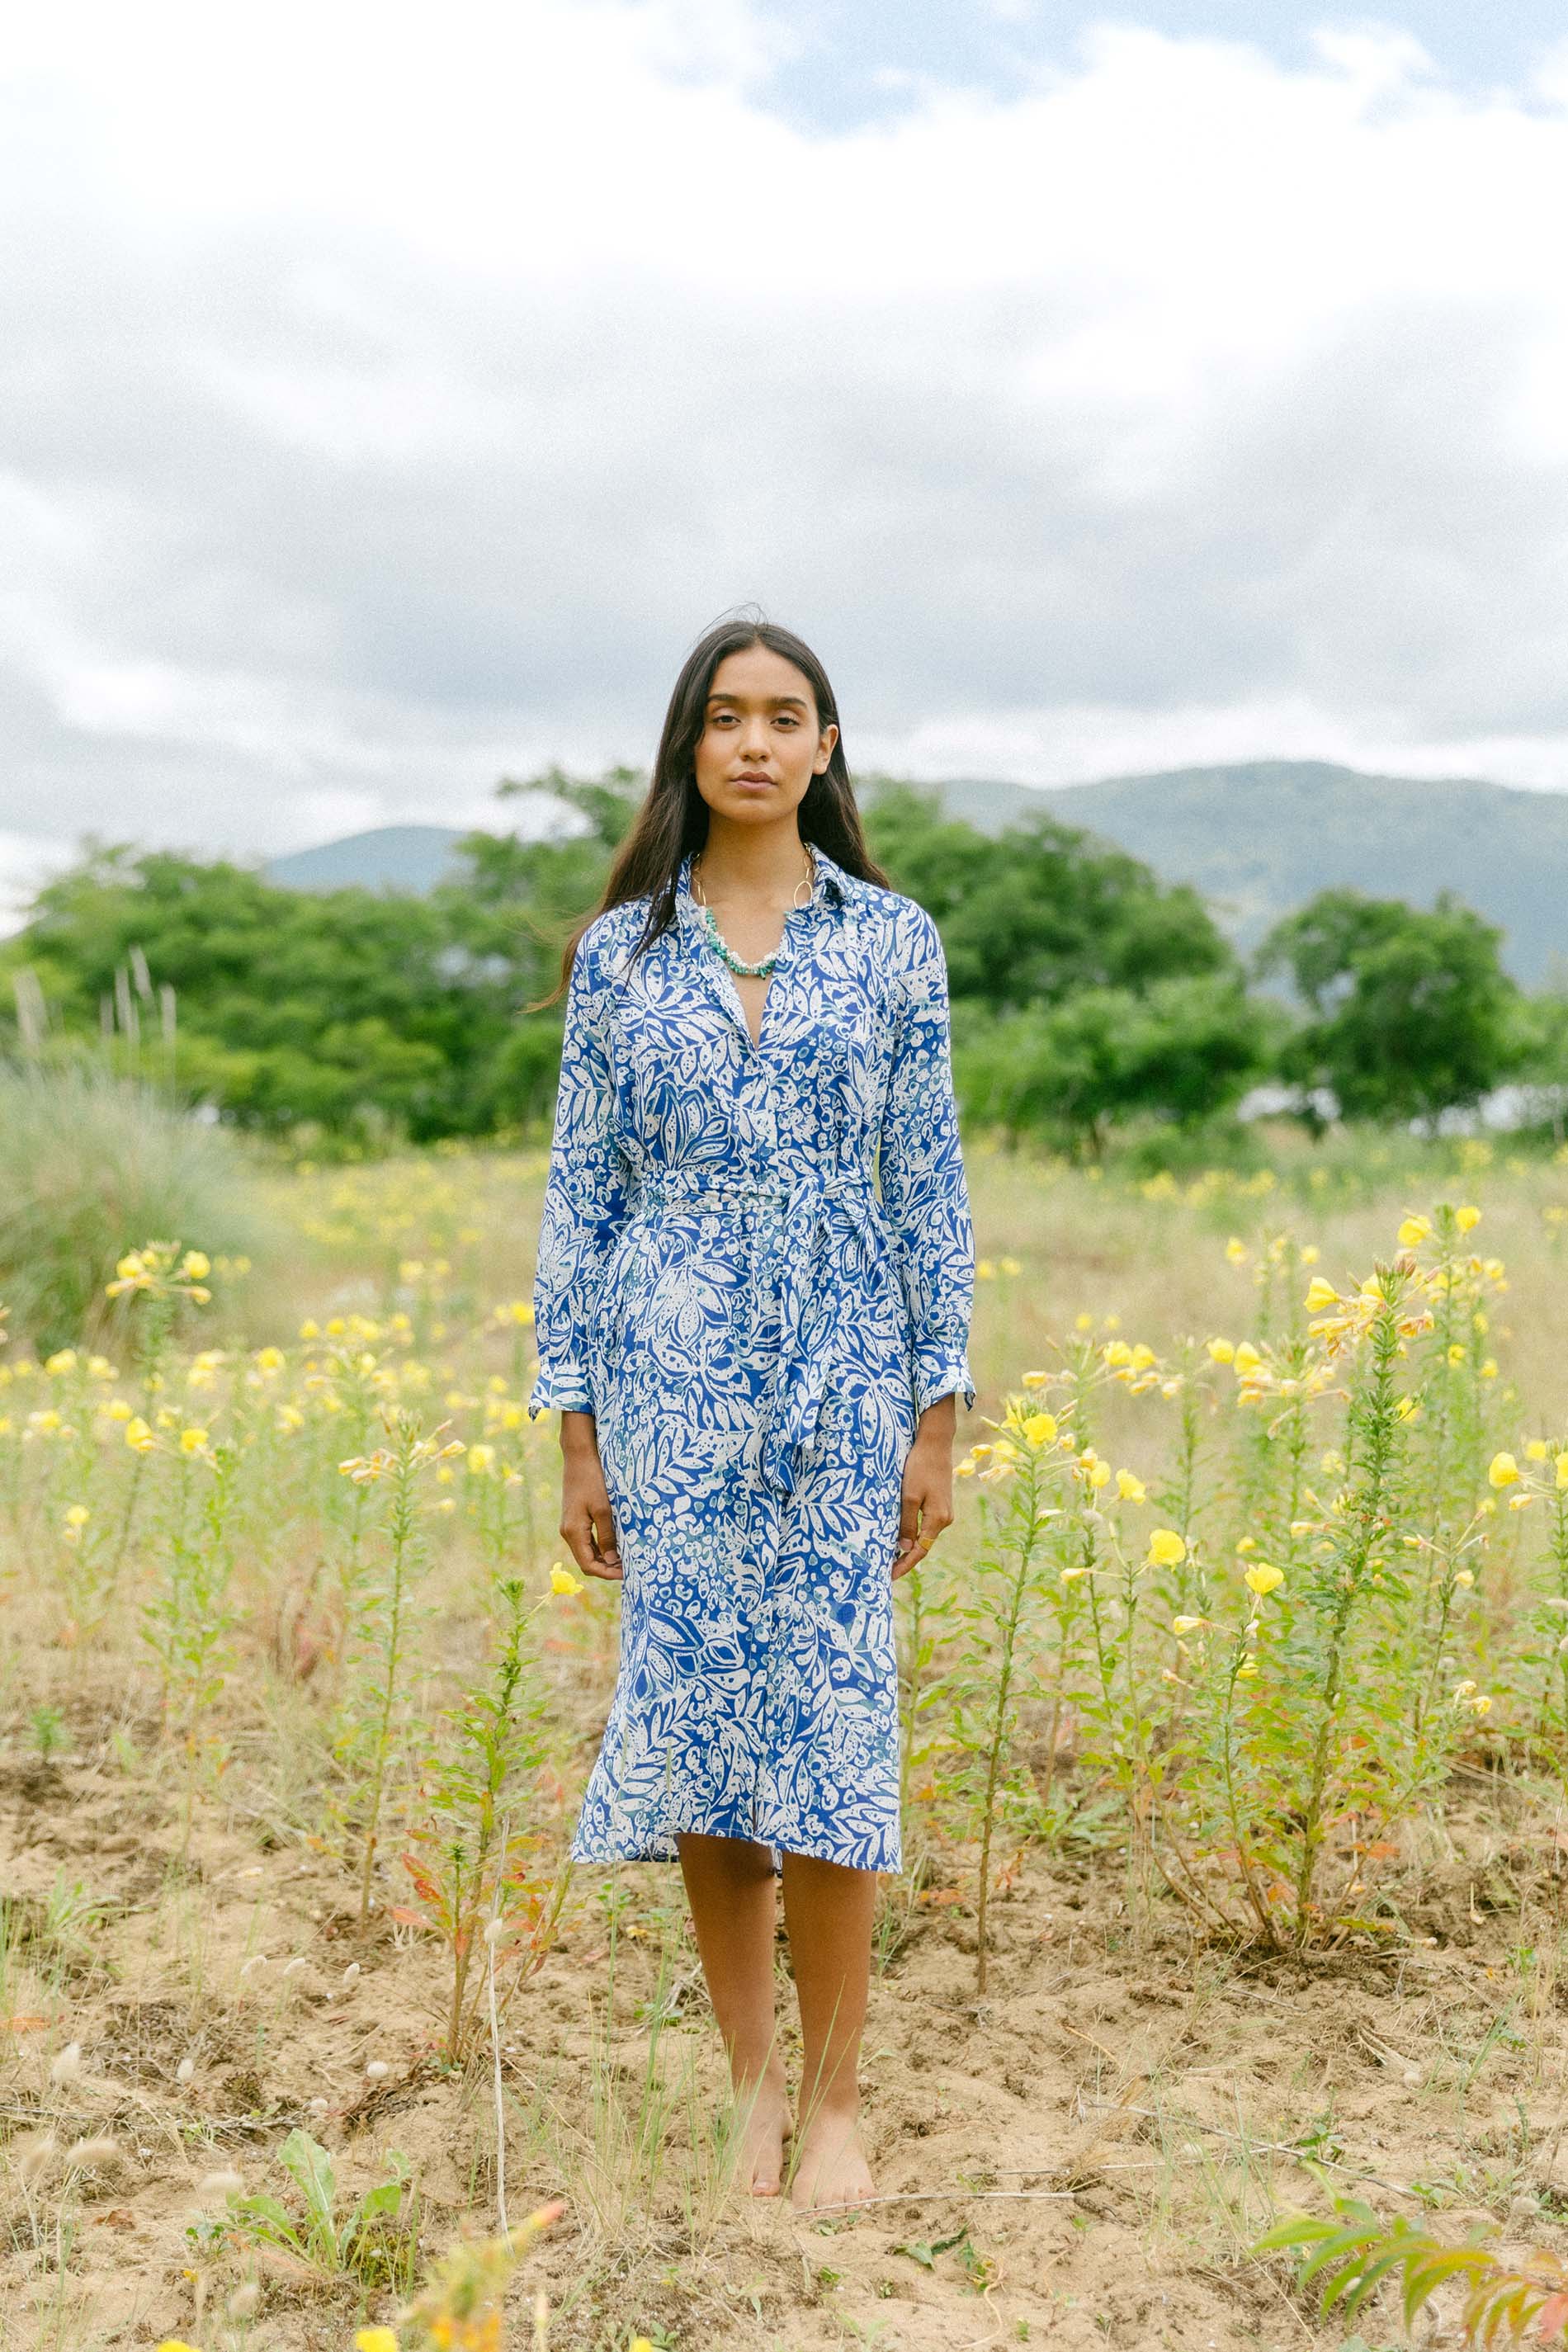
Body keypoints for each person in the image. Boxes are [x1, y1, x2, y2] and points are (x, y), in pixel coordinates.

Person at [528, 616, 975, 2210]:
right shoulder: (621, 955)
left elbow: (928, 1184)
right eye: (727, 717)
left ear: (826, 747)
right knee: (707, 1729)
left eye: (787, 716)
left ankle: (839, 2102)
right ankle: (750, 2095)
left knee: (836, 1724)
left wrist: (938, 1418)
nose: (756, 743)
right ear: (691, 746)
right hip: (668, 1382)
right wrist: (577, 1432)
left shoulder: (894, 941)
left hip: (849, 1372)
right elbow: (580, 1198)